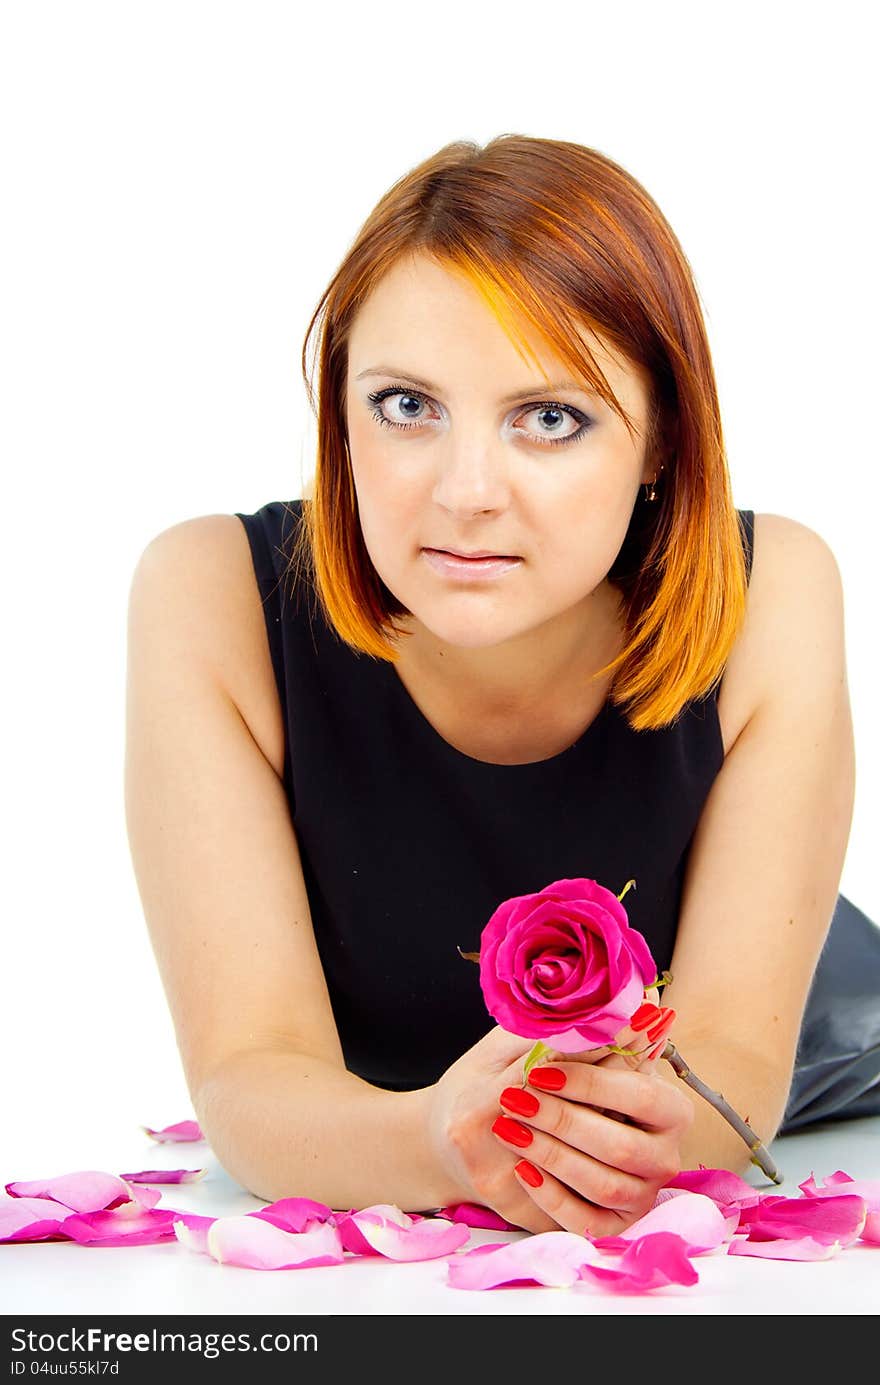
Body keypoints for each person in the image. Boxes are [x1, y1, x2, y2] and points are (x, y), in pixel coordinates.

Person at [124, 134, 857, 1238]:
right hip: (426, 1119)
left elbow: (733, 1071)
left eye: (549, 417)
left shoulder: (773, 592)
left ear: (659, 437)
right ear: (339, 411)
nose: (465, 493)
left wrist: (523, 1138)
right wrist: (433, 1141)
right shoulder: (209, 592)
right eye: (406, 406)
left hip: (822, 1033)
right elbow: (248, 1068)